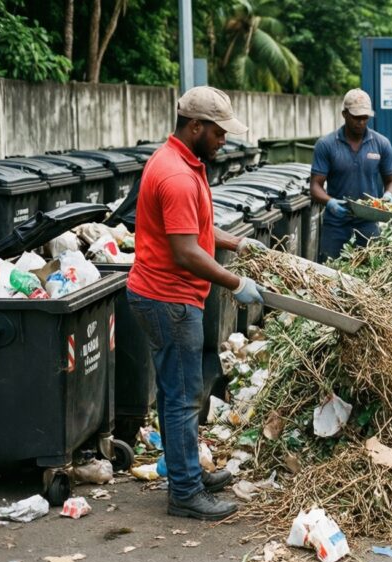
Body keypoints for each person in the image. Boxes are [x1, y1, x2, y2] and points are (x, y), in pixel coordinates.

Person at [127, 86, 267, 521]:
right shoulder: (177, 176)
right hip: (169, 298)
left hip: (161, 294)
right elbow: (186, 250)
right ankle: (186, 493)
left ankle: (185, 473)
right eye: (219, 132)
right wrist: (235, 282)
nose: (224, 140)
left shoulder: (180, 161)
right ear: (195, 126)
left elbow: (195, 232)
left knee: (175, 391)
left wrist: (235, 243)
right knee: (185, 397)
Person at [310, 88, 392, 262]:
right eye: (356, 117)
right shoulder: (326, 145)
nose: (361, 122)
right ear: (344, 114)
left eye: (365, 118)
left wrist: (388, 195)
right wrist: (330, 203)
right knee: (330, 272)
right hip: (336, 224)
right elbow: (315, 186)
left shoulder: (381, 144)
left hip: (368, 222)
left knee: (372, 273)